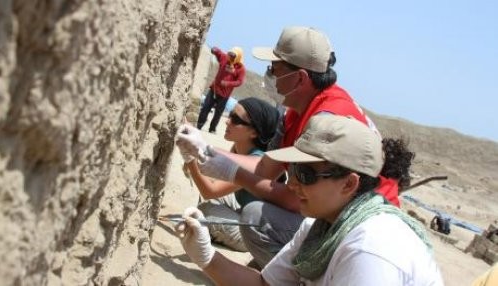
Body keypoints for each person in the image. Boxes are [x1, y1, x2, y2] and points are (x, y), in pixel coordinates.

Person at [176, 26, 401, 268]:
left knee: (256, 217)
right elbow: (264, 168)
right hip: (332, 208)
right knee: (259, 262)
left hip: (356, 225)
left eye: (275, 68)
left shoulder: (327, 122)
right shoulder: (297, 111)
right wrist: (204, 148)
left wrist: (232, 172)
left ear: (301, 78)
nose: (269, 74)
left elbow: (298, 200)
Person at [174, 114, 444, 285]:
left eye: (305, 174)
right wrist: (206, 256)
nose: (292, 183)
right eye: (292, 170)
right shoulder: (320, 226)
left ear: (349, 183)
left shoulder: (369, 251)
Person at [184, 97, 279, 252]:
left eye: (235, 119)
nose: (227, 121)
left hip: (254, 235)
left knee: (206, 211)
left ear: (254, 132)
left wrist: (190, 159)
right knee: (206, 207)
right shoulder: (239, 148)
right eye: (230, 115)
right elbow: (215, 179)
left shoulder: (255, 162)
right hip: (245, 213)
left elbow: (209, 191)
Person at [197, 46, 246, 133]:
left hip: (224, 94)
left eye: (233, 55)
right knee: (205, 108)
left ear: (238, 57)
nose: (230, 57)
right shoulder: (224, 58)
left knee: (218, 113)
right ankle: (199, 125)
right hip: (214, 89)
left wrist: (228, 84)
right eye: (230, 54)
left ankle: (212, 129)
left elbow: (239, 82)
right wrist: (214, 50)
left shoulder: (241, 68)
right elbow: (219, 52)